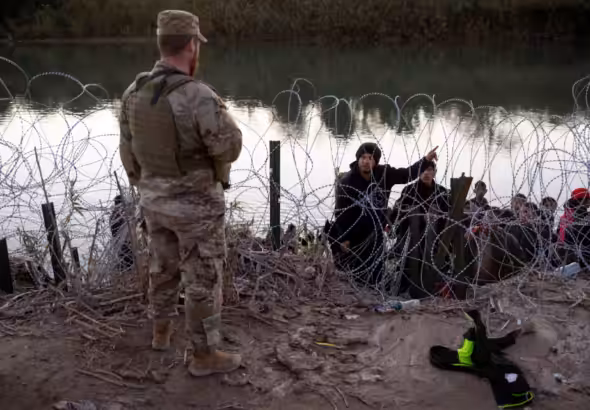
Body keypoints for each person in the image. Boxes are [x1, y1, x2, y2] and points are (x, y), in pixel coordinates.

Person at [118, 10, 243, 377]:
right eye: (196, 44)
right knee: (202, 278)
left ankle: (161, 332)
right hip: (196, 208)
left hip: (153, 200)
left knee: (162, 268)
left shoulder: (133, 93)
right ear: (191, 45)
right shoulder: (198, 96)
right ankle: (204, 355)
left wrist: (149, 185)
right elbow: (229, 147)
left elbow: (128, 152)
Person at [328, 142, 438, 287]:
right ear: (358, 159)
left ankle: (374, 294)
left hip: (375, 233)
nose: (366, 161)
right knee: (355, 276)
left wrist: (425, 160)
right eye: (363, 157)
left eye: (370, 158)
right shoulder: (347, 182)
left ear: (376, 161)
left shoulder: (384, 174)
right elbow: (341, 214)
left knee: (376, 276)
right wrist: (345, 238)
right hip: (355, 235)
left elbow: (406, 174)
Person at [391, 160, 450, 296]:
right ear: (418, 173)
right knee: (407, 265)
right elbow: (397, 213)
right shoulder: (409, 190)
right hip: (410, 236)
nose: (426, 173)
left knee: (435, 265)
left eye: (430, 170)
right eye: (423, 170)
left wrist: (436, 217)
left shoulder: (441, 192)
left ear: (434, 173)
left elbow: (448, 216)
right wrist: (408, 213)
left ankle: (431, 286)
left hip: (434, 238)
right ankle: (404, 286)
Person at [109, 195, 134, 273]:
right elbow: (119, 232)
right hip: (122, 244)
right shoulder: (117, 216)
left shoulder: (114, 215)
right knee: (128, 263)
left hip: (120, 244)